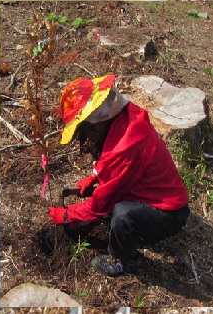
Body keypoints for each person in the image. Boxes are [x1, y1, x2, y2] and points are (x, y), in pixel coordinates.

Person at [48, 74, 190, 277]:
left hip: (169, 214)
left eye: (84, 131)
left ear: (96, 122)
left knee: (122, 214)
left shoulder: (127, 145)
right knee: (117, 208)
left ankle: (123, 260)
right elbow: (110, 154)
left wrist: (67, 215)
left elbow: (101, 203)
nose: (84, 139)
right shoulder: (123, 120)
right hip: (152, 195)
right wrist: (94, 176)